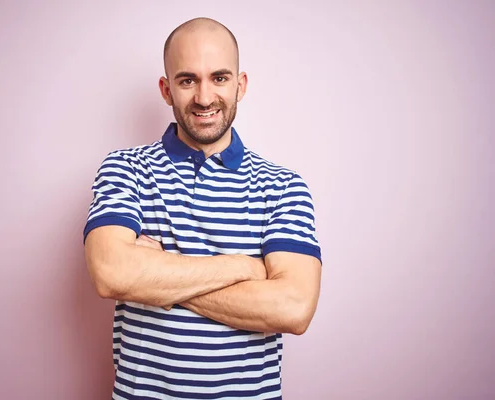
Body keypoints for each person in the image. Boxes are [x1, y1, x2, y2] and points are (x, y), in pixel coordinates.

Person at [83, 16, 322, 400]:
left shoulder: (283, 187)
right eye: (187, 80)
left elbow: (293, 308)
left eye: (220, 78)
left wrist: (156, 278)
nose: (205, 97)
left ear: (240, 85)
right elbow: (111, 273)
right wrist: (243, 267)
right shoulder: (125, 168)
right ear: (166, 89)